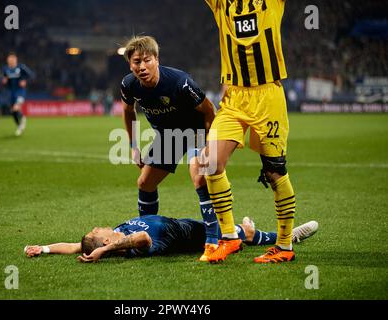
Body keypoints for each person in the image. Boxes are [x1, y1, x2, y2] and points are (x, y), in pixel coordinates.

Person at [201, 0, 300, 263]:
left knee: (275, 171)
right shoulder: (222, 4)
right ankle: (229, 238)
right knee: (210, 162)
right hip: (234, 96)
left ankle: (284, 245)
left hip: (268, 95)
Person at [120, 36, 220, 261]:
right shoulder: (129, 84)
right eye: (137, 62)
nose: (142, 66)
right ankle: (147, 232)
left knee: (199, 177)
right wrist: (134, 146)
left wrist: (208, 145)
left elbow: (209, 111)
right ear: (130, 64)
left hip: (195, 130)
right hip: (168, 136)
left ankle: (214, 239)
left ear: (156, 59)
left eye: (147, 60)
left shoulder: (179, 82)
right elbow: (128, 112)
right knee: (145, 183)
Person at [24, 215, 318, 263]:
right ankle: (291, 237)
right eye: (95, 233)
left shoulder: (107, 238)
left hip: (179, 221)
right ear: (103, 243)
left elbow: (74, 246)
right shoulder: (132, 247)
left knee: (239, 229)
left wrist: (46, 249)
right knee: (245, 234)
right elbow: (142, 238)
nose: (97, 227)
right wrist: (108, 250)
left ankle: (252, 231)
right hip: (190, 236)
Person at [1, 52, 34, 136]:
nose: (10, 61)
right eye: (9, 60)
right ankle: (20, 125)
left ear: (15, 59)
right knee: (13, 112)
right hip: (11, 93)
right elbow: (4, 79)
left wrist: (25, 81)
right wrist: (4, 81)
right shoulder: (5, 69)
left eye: (12, 59)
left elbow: (32, 75)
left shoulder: (21, 67)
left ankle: (22, 119)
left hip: (20, 92)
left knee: (16, 108)